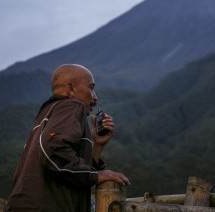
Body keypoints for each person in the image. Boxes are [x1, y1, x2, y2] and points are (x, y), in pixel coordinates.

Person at [7, 64, 130, 211]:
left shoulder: (46, 114)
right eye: (91, 87)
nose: (95, 97)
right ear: (71, 89)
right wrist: (96, 176)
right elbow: (54, 150)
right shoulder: (71, 106)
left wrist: (97, 146)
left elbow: (65, 171)